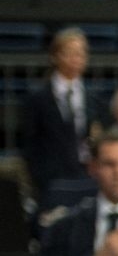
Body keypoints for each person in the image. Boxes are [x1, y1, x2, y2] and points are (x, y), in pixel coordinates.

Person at [20, 27, 98, 201]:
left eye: (80, 53)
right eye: (70, 53)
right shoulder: (38, 97)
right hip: (50, 179)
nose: (76, 59)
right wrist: (39, 178)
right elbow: (29, 142)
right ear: (55, 56)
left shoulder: (92, 97)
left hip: (85, 176)